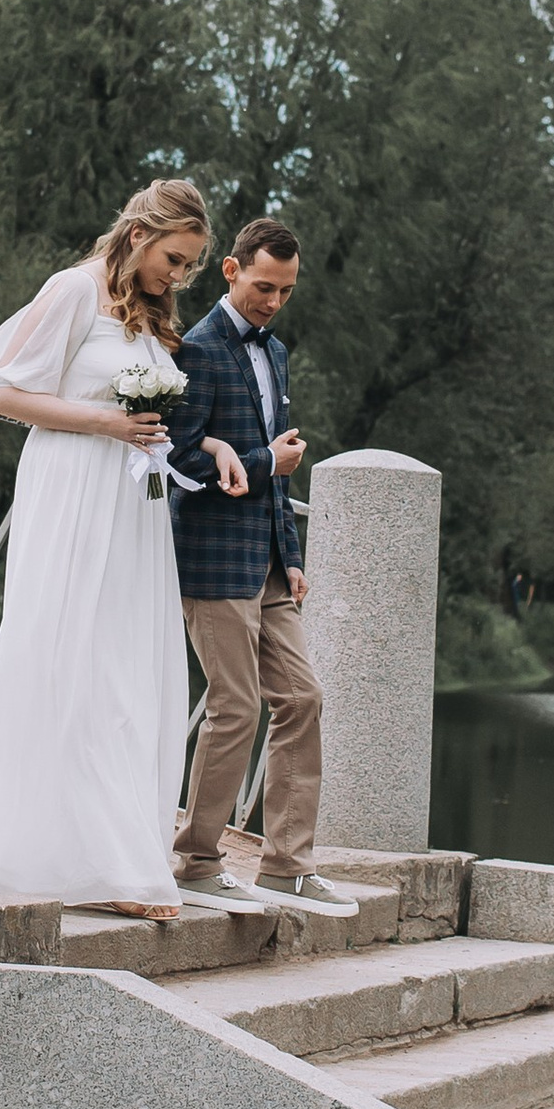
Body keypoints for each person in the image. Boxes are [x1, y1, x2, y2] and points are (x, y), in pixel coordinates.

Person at [0, 176, 246, 917]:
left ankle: (122, 856)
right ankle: (92, 866)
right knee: (72, 658)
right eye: (176, 259)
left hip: (134, 505)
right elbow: (2, 393)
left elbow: (158, 419)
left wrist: (204, 439)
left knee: (128, 668)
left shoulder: (152, 314)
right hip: (72, 491)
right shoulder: (71, 290)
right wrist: (106, 426)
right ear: (138, 236)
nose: (180, 275)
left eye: (190, 265)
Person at [163, 217, 347, 904]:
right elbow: (179, 457)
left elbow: (282, 468)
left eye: (286, 292)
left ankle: (287, 865)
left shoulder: (278, 353)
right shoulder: (197, 349)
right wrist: (271, 460)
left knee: (302, 698)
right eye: (264, 287)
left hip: (267, 562)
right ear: (231, 271)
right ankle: (200, 862)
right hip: (211, 559)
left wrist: (290, 555)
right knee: (236, 708)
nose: (273, 302)